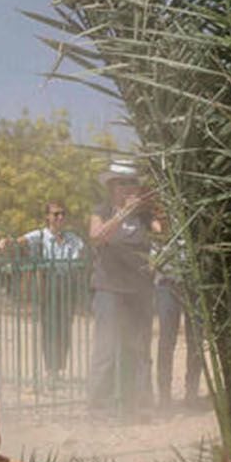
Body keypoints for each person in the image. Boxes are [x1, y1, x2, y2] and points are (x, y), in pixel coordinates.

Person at [87, 161, 157, 413]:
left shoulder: (144, 216)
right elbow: (96, 237)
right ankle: (97, 406)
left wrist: (159, 205)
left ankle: (138, 403)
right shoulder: (102, 211)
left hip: (139, 290)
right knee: (106, 347)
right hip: (109, 288)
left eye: (132, 182)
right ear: (112, 186)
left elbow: (164, 233)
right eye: (122, 182)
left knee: (138, 347)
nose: (128, 187)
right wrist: (122, 214)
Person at [5, 201, 86, 375]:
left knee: (64, 326)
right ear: (47, 217)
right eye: (56, 214)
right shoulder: (40, 235)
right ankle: (50, 368)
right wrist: (5, 242)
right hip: (48, 283)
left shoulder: (72, 238)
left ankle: (60, 367)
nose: (60, 218)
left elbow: (80, 256)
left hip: (66, 283)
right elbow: (19, 242)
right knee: (49, 326)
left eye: (62, 214)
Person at [151, 210, 205, 410]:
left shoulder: (192, 217)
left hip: (193, 285)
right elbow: (152, 258)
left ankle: (191, 392)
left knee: (196, 340)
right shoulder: (158, 228)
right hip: (167, 284)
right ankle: (164, 395)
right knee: (166, 340)